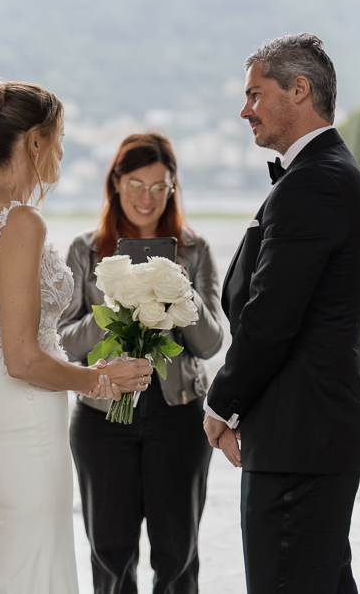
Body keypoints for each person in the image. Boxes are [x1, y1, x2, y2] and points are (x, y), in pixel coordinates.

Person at [0, 78, 152, 594]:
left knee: (12, 566)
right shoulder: (21, 221)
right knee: (35, 571)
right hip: (24, 426)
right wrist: (97, 378)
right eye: (59, 140)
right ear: (36, 141)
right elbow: (22, 358)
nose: (61, 153)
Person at [203, 34, 360, 594]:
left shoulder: (315, 183)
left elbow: (271, 318)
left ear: (299, 90)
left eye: (256, 94)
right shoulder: (322, 174)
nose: (245, 109)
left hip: (298, 438)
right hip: (308, 434)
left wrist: (222, 403)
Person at [59, 132, 225, 594]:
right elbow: (66, 345)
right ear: (115, 183)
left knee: (177, 557)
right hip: (102, 419)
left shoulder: (195, 250)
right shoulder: (87, 250)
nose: (146, 198)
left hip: (178, 416)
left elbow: (210, 343)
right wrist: (116, 307)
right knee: (110, 557)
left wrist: (176, 289)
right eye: (135, 184)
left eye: (159, 187)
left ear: (173, 188)